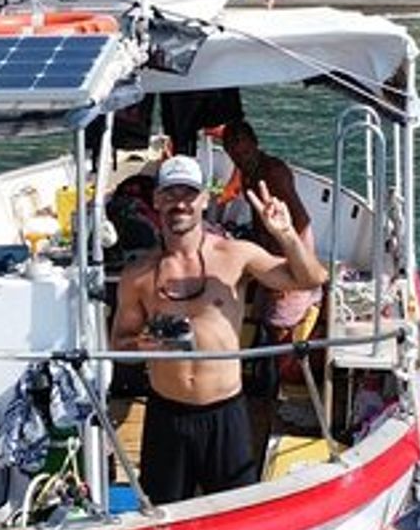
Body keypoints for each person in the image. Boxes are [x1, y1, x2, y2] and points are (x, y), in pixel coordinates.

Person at [110, 155, 326, 504]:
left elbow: (310, 278)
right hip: (167, 415)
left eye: (189, 193)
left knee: (234, 514)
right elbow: (119, 345)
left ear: (204, 200)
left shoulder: (235, 255)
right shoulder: (138, 275)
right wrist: (144, 343)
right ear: (156, 200)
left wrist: (286, 234)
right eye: (170, 193)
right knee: (163, 514)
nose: (179, 203)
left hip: (225, 413)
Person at [221, 119, 322, 368]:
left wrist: (286, 266)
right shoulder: (248, 172)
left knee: (279, 324)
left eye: (243, 151)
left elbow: (299, 221)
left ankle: (279, 378)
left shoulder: (272, 173)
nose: (240, 157)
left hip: (289, 249)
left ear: (255, 144)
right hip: (271, 249)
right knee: (263, 318)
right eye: (233, 153)